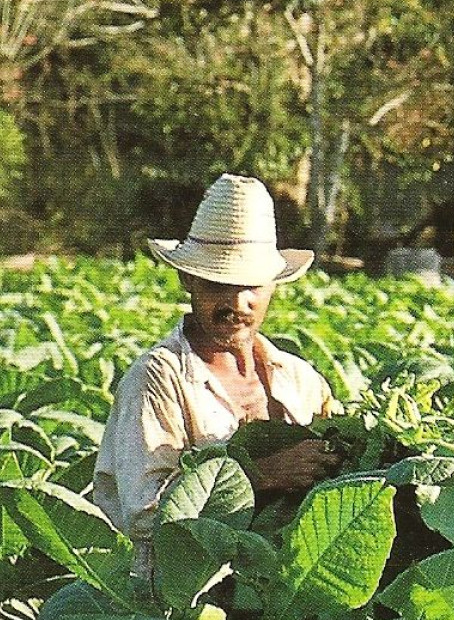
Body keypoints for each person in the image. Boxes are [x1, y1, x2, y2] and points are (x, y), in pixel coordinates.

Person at [93, 173, 344, 577]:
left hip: (281, 592)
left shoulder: (299, 380)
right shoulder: (158, 378)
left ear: (272, 287)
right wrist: (264, 475)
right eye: (219, 285)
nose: (237, 303)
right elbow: (143, 512)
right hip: (182, 600)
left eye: (252, 288)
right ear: (187, 280)